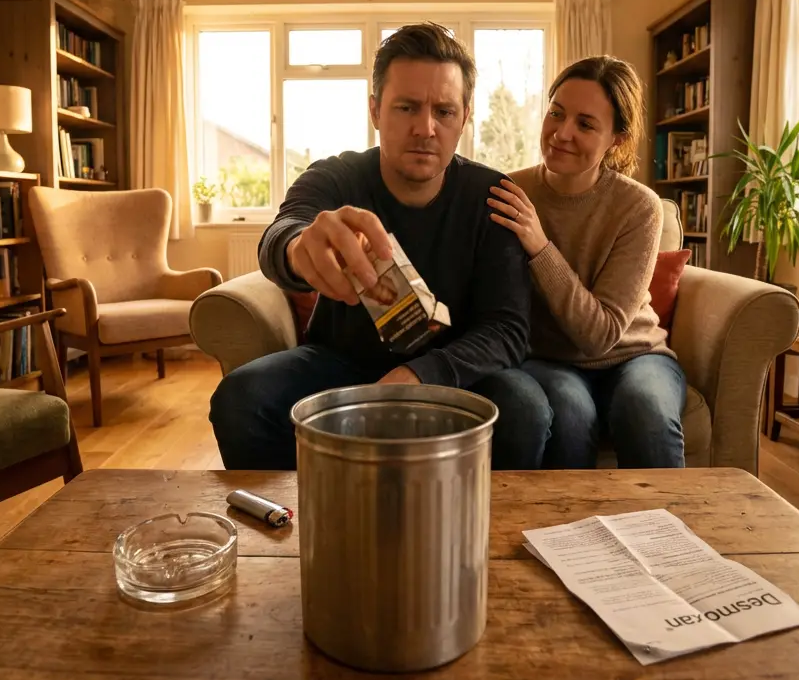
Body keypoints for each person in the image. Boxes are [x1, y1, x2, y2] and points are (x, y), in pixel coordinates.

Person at [210, 23, 551, 470]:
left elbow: (507, 330)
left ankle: (481, 532)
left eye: (444, 111)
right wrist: (298, 248)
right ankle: (297, 522)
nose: (425, 128)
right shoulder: (335, 177)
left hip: (458, 374)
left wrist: (419, 375)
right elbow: (282, 232)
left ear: (465, 117)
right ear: (375, 109)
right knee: (241, 396)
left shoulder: (492, 196)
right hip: (342, 364)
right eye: (406, 107)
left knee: (525, 408)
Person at [486, 55, 686, 469]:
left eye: (585, 123)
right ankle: (565, 532)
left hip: (635, 354)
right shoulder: (509, 190)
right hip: (548, 359)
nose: (561, 133)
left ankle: (665, 532)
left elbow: (602, 335)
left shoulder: (639, 207)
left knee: (646, 410)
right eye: (556, 113)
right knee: (570, 413)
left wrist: (539, 246)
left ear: (616, 138)